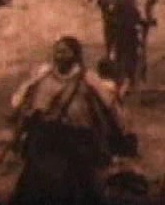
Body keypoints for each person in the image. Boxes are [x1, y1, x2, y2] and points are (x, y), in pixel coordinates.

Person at [9, 36, 136, 205]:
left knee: (81, 187)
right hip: (46, 139)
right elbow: (20, 99)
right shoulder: (43, 76)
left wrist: (124, 131)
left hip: (77, 140)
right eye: (57, 51)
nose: (59, 55)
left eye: (64, 52)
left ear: (75, 54)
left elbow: (110, 105)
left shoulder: (88, 79)